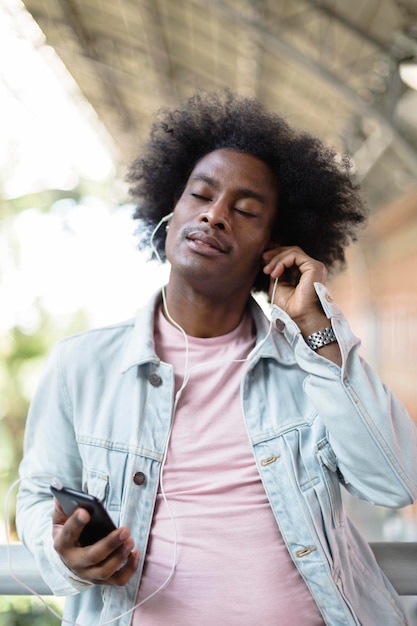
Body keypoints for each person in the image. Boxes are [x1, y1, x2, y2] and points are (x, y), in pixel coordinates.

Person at [16, 91, 417, 626]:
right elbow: (40, 498)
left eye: (245, 210)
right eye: (200, 195)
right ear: (170, 209)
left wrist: (317, 331)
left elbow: (394, 483)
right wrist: (66, 556)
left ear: (273, 249)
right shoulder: (81, 365)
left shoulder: (308, 365)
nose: (215, 214)